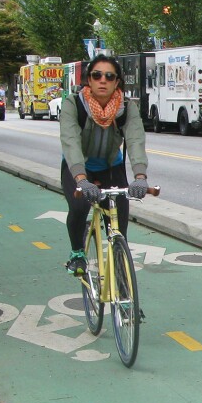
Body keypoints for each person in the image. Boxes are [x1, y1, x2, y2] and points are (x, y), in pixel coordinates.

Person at [59, 55, 149, 275]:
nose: (103, 80)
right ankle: (77, 253)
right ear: (88, 79)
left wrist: (140, 177)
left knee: (118, 226)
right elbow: (70, 141)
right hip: (79, 168)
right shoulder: (73, 104)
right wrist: (81, 179)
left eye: (109, 76)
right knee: (79, 207)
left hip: (111, 168)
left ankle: (124, 297)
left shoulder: (126, 108)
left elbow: (136, 140)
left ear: (117, 82)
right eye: (96, 75)